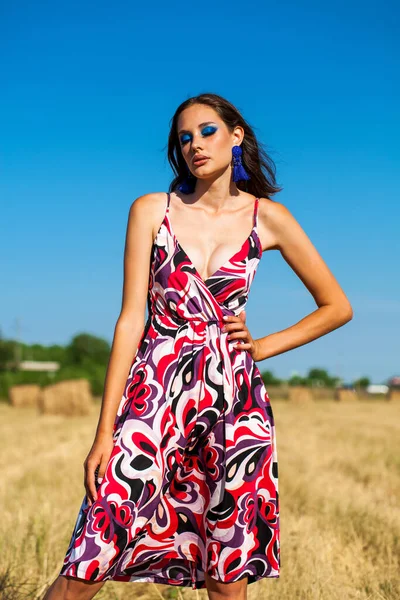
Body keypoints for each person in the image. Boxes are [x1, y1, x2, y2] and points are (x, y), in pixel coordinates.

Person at [43, 92, 353, 600]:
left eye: (207, 131)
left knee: (228, 570)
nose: (194, 145)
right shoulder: (151, 210)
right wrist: (104, 433)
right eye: (184, 138)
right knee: (93, 549)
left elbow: (336, 306)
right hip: (155, 395)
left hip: (236, 402)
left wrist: (264, 346)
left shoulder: (269, 218)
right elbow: (129, 320)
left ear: (237, 136)